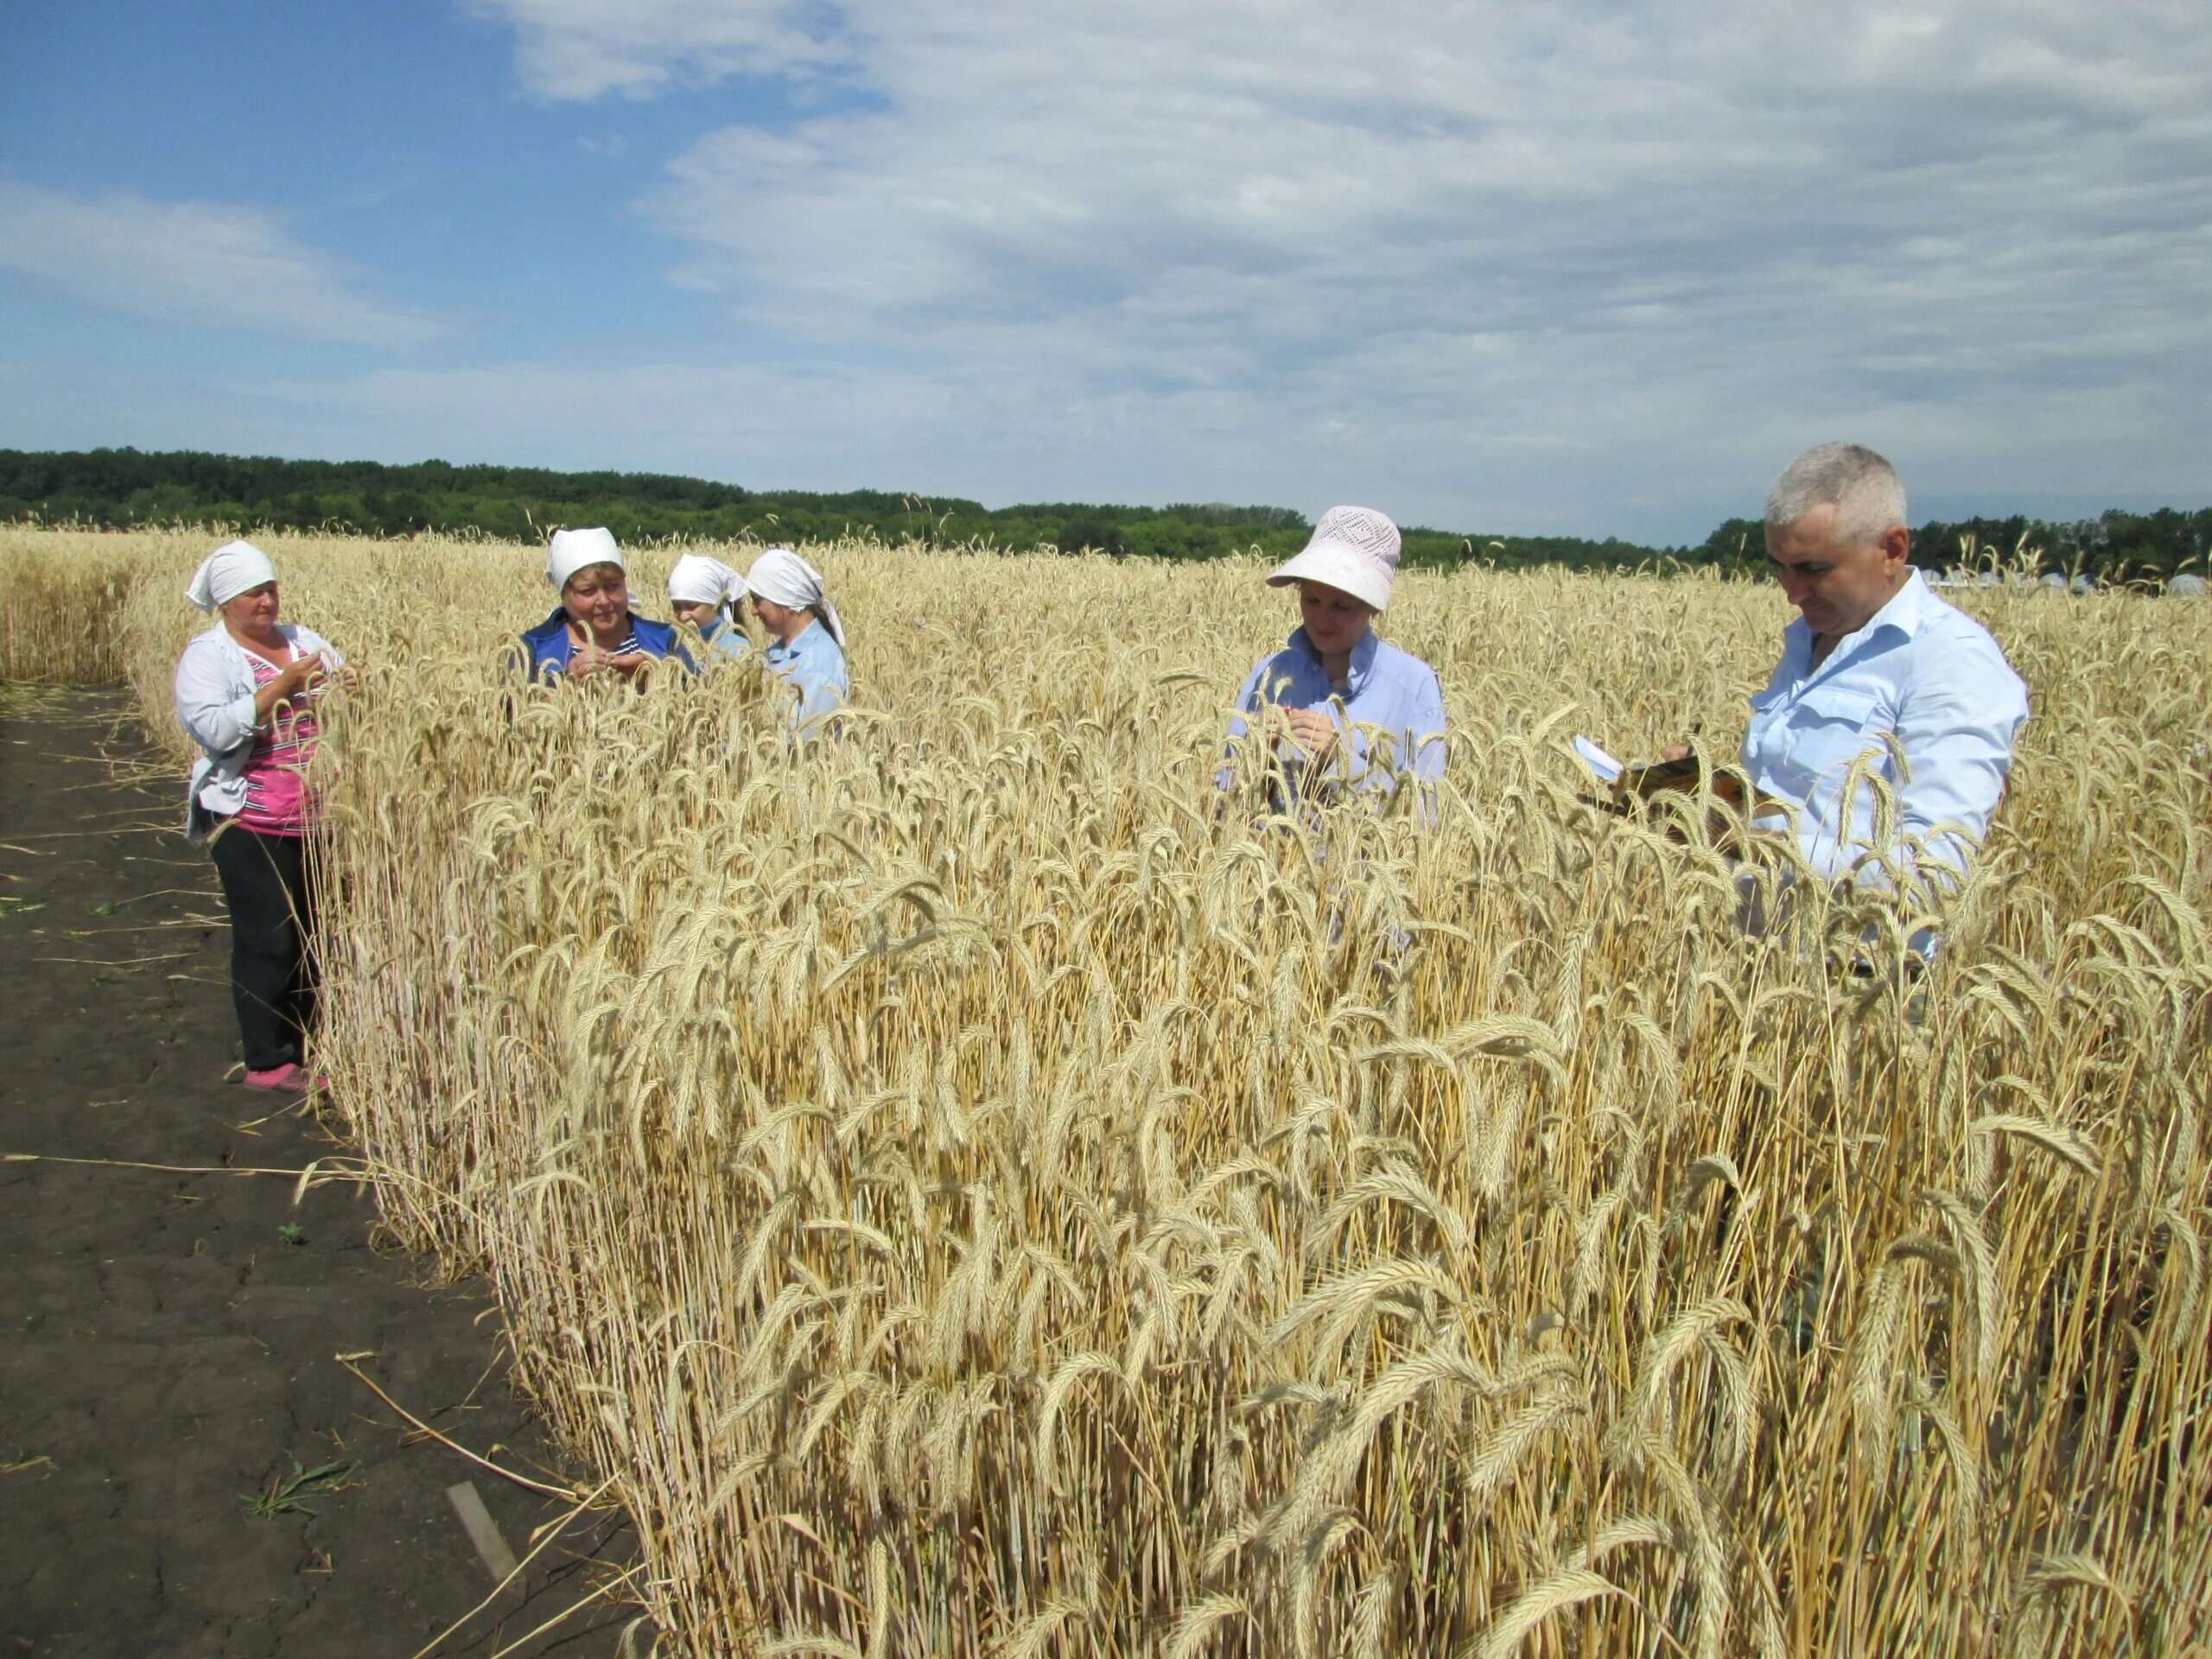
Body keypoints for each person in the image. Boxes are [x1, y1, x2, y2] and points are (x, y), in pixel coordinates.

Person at [1713, 443, 2029, 891]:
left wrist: (1761, 847)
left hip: (1852, 959)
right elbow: (1796, 794)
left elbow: (1933, 873)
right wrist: (1705, 789)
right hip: (1747, 949)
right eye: (1779, 568)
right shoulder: (1811, 637)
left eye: (1813, 569)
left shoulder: (1953, 662)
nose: (1792, 592)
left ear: (1893, 549)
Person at [172, 540, 348, 1094]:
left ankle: (308, 1041)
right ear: (226, 602)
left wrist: (354, 687)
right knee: (267, 936)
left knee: (314, 932)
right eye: (254, 593)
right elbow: (215, 730)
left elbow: (343, 687)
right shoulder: (208, 657)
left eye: (271, 589)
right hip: (248, 819)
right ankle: (267, 1060)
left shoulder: (304, 641)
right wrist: (281, 689)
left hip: (318, 815)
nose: (267, 601)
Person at [1223, 505, 1446, 803]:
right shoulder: (1270, 675)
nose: (1321, 619)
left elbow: (1423, 817)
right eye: (1311, 600)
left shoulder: (1413, 687)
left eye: (1342, 606)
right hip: (1266, 849)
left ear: (1374, 607)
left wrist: (1342, 761)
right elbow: (1225, 798)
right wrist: (1255, 757)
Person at [518, 527, 683, 681]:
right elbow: (509, 708)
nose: (603, 600)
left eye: (612, 586)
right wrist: (565, 682)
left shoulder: (666, 640)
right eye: (588, 590)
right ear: (564, 594)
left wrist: (657, 676)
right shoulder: (531, 650)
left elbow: (701, 699)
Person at [746, 547, 849, 736]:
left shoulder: (820, 660)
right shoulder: (775, 653)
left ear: (784, 599)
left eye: (757, 601)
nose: (753, 611)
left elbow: (806, 744)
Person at [666, 553, 752, 661]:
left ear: (716, 604)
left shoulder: (739, 650)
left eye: (692, 606)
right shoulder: (673, 647)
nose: (683, 616)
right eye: (676, 607)